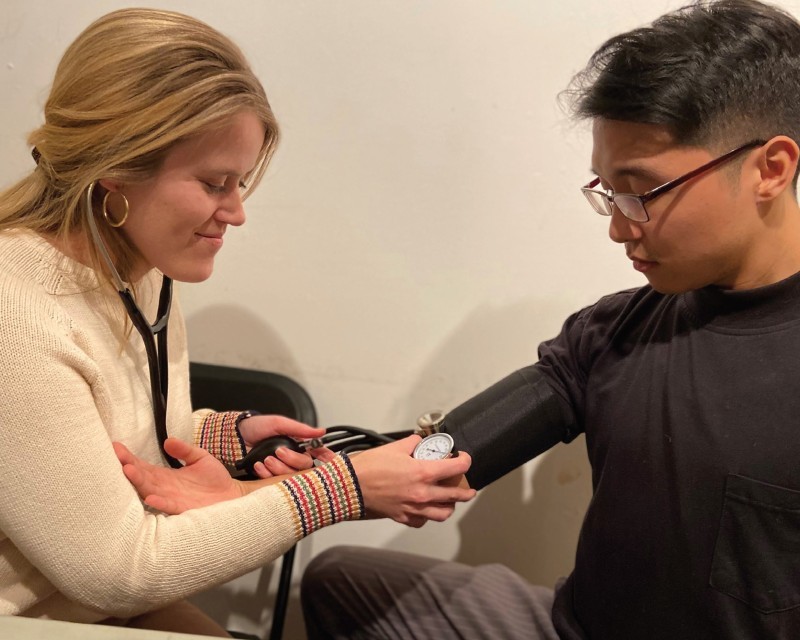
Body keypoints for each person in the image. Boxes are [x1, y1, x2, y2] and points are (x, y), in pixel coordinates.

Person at [118, 0, 800, 637]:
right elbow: (449, 451)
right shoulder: (616, 333)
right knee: (338, 582)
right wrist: (266, 492)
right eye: (608, 193)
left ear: (770, 168)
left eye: (642, 192)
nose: (620, 228)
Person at [0, 8, 474, 637]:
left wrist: (225, 436)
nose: (236, 213)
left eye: (240, 182)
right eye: (215, 183)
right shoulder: (17, 315)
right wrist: (342, 490)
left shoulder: (139, 267)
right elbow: (117, 569)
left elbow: (99, 437)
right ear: (114, 166)